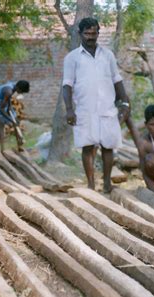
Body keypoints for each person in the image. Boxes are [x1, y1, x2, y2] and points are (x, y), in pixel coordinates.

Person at [63, 17, 130, 193]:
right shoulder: (72, 58)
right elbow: (67, 85)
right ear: (80, 34)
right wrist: (69, 109)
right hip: (85, 110)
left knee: (108, 146)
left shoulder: (108, 55)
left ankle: (107, 183)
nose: (91, 37)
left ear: (98, 33)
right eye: (87, 33)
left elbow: (117, 80)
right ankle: (91, 184)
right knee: (88, 146)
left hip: (107, 109)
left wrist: (125, 102)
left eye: (94, 33)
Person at [0, 80, 30, 152]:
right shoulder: (8, 91)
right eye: (22, 91)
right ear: (18, 88)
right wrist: (11, 120)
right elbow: (1, 109)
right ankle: (3, 149)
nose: (21, 93)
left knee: (16, 122)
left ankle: (19, 146)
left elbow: (8, 98)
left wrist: (9, 107)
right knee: (2, 123)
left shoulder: (14, 86)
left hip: (4, 99)